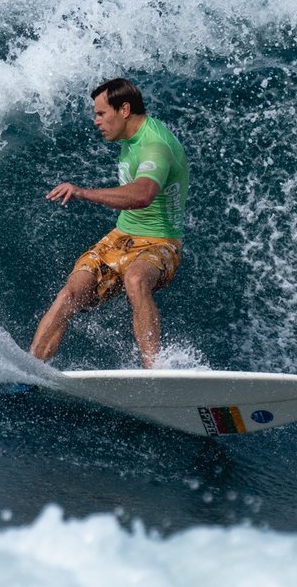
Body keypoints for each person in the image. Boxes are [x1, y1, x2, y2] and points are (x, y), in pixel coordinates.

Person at [29, 77, 189, 369]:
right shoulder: (131, 138)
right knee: (70, 294)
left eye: (101, 113)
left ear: (124, 109)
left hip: (160, 243)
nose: (96, 121)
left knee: (136, 279)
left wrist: (82, 192)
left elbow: (143, 195)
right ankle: (30, 371)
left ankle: (157, 372)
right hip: (120, 238)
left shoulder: (156, 145)